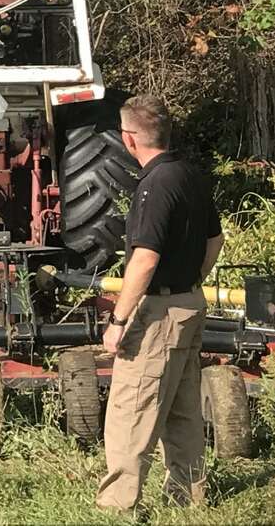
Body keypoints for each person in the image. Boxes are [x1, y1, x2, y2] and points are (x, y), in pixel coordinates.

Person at [96, 94, 224, 513]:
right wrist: (191, 281)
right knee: (182, 405)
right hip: (190, 303)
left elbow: (145, 258)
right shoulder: (192, 175)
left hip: (160, 313)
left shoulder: (154, 185)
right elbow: (215, 239)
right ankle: (187, 495)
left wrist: (118, 319)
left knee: (132, 408)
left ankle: (120, 505)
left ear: (129, 139)